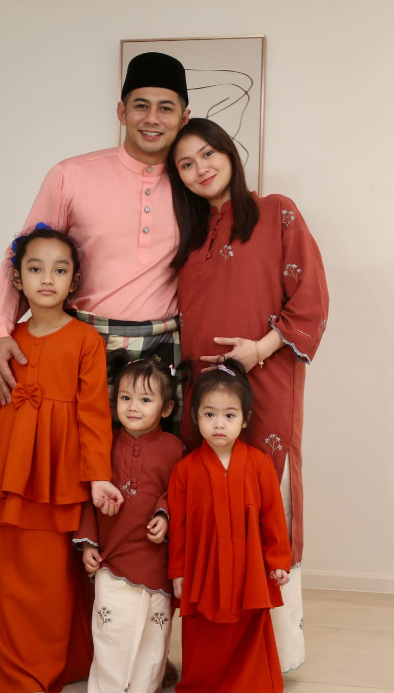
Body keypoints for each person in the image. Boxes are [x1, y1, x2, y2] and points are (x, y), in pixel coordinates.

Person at [167, 118, 329, 672]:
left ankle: (277, 654)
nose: (200, 169)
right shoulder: (190, 238)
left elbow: (310, 300)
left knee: (265, 501)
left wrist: (257, 350)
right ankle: (213, 651)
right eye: (185, 164)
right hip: (201, 395)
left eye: (207, 154)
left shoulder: (277, 212)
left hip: (266, 380)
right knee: (210, 506)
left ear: (230, 154)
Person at [0, 52, 190, 434]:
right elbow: (23, 255)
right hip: (80, 340)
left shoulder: (193, 184)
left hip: (162, 346)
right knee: (72, 459)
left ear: (184, 118)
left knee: (153, 462)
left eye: (166, 108)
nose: (152, 118)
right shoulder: (71, 175)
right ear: (121, 112)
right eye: (140, 105)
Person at [0, 227, 122, 693]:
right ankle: (5, 665)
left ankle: (52, 663)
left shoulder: (86, 340)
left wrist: (97, 476)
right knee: (8, 571)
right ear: (18, 279)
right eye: (35, 269)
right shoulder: (7, 341)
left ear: (74, 280)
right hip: (9, 474)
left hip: (59, 475)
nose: (47, 279)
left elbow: (94, 416)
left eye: (60, 269)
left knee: (53, 576)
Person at [168, 359, 292, 692]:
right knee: (203, 629)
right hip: (203, 570)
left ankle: (248, 683)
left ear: (245, 418)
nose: (219, 424)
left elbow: (272, 518)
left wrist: (278, 561)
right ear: (195, 416)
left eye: (229, 415)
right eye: (209, 414)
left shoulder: (259, 463)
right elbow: (178, 528)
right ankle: (203, 683)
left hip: (248, 568)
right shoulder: (184, 470)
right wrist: (177, 571)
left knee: (248, 626)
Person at [74, 352, 184, 693]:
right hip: (112, 558)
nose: (133, 407)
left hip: (155, 561)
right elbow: (87, 496)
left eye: (145, 400)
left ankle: (144, 687)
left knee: (153, 635)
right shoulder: (104, 444)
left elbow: (180, 492)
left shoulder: (174, 449)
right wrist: (88, 543)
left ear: (166, 408)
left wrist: (164, 514)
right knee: (110, 632)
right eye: (125, 398)